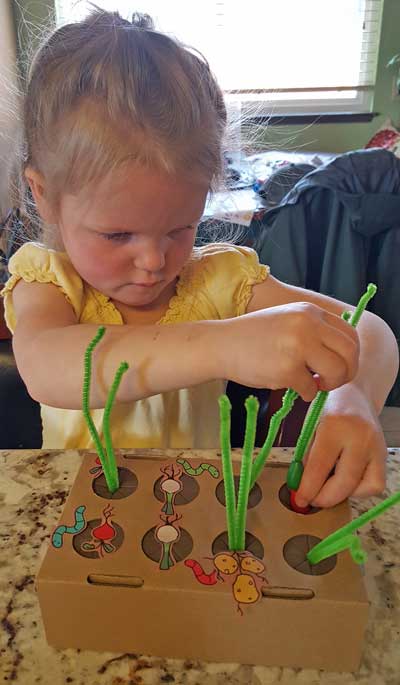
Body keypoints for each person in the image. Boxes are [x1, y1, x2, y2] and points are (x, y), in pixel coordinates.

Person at [1, 9, 398, 509]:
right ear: (44, 195)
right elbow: (47, 369)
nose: (152, 259)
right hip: (87, 519)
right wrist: (226, 345)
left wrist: (352, 398)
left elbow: (370, 330)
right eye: (117, 233)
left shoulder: (217, 280)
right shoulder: (49, 282)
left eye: (180, 227)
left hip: (200, 513)